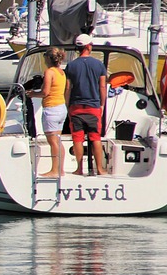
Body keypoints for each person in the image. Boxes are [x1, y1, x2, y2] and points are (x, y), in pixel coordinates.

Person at [63, 33, 108, 175]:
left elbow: (68, 88)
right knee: (95, 137)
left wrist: (67, 105)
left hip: (76, 107)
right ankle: (100, 169)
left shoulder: (71, 66)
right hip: (93, 106)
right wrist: (102, 104)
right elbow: (102, 87)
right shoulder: (99, 65)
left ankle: (79, 168)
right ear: (88, 46)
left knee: (77, 138)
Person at [29, 46, 67, 177]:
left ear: (48, 58)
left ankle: (54, 170)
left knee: (53, 142)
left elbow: (45, 92)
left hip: (51, 109)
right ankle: (60, 169)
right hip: (61, 108)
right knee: (58, 140)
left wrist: (32, 94)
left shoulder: (49, 72)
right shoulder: (61, 72)